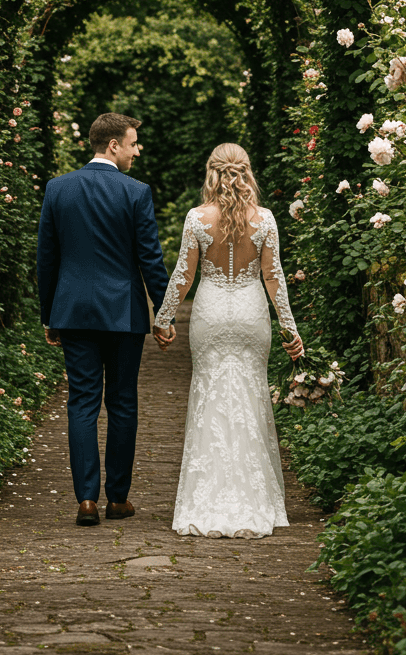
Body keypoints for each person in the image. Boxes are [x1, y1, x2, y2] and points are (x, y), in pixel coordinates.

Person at [154, 143, 304, 539]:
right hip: (252, 314)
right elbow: (274, 278)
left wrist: (163, 318)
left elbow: (183, 276)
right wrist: (290, 328)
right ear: (247, 172)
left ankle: (206, 500)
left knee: (209, 395)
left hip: (212, 314)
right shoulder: (266, 219)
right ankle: (256, 501)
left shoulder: (197, 218)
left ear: (212, 172)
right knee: (251, 396)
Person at [36, 112, 174, 527]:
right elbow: (150, 257)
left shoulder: (58, 189)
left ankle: (85, 501)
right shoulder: (135, 192)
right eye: (133, 143)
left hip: (73, 312)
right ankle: (117, 498)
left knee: (81, 402)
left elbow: (46, 258)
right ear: (113, 145)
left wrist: (49, 317)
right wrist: (163, 314)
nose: (137, 150)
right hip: (123, 313)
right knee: (122, 402)